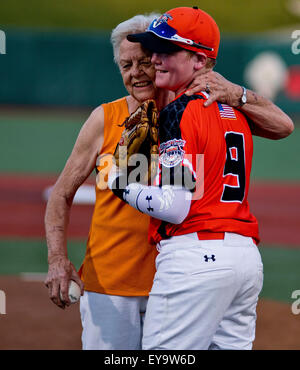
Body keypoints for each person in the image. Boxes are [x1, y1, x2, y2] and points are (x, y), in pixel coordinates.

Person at [44, 12, 294, 350]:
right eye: (125, 65)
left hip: (177, 274)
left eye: (145, 61)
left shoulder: (197, 107)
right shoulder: (106, 118)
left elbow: (283, 126)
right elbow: (61, 194)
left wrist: (236, 92)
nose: (136, 73)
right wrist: (57, 260)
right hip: (115, 282)